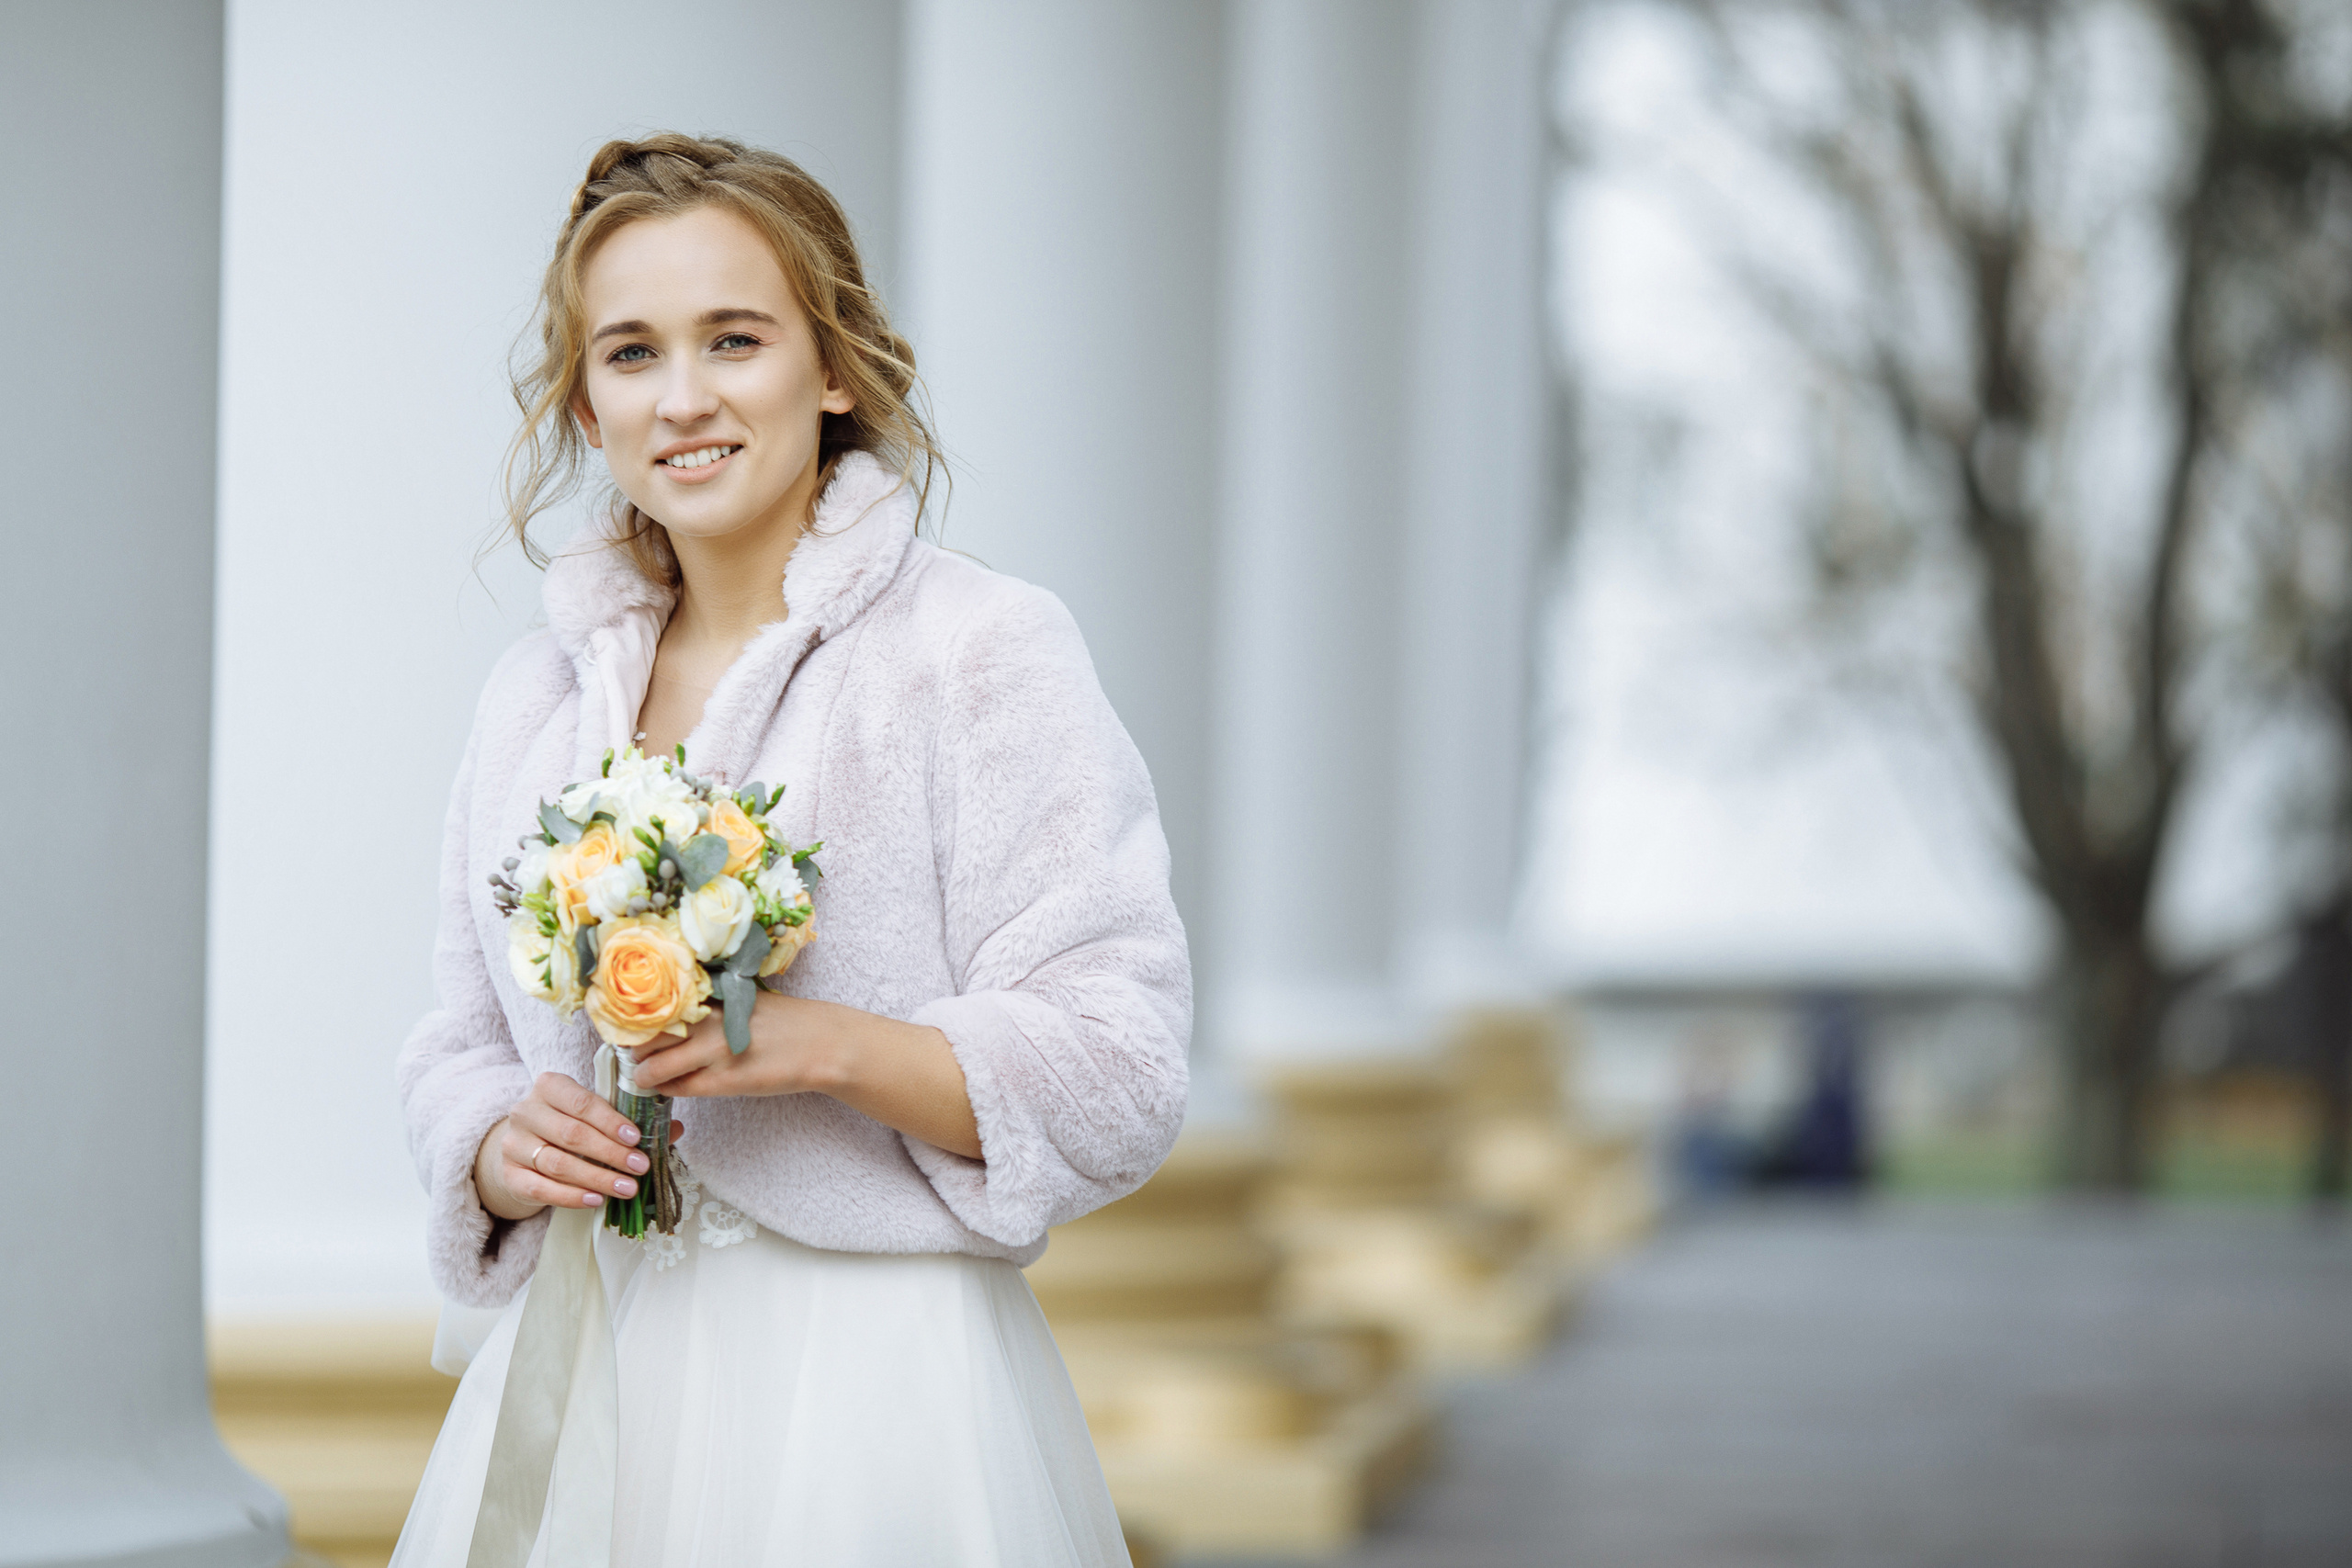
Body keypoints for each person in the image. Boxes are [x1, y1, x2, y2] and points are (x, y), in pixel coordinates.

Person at [390, 133, 1188, 1566]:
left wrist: (815, 1044)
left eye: (734, 339)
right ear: (585, 399)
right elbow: (457, 1043)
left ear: (835, 367)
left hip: (873, 1384)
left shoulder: (980, 652)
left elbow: (1121, 1064)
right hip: (583, 1373)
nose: (682, 398)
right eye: (629, 353)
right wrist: (500, 1150)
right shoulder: (536, 698)